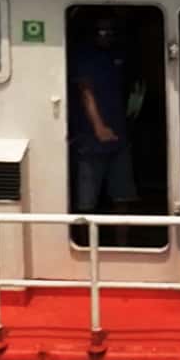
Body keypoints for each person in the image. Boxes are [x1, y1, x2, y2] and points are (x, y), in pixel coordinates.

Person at [67, 29, 134, 218]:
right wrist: (99, 127)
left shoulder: (118, 55)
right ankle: (84, 245)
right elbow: (85, 90)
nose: (107, 35)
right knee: (86, 202)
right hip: (88, 142)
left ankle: (124, 245)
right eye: (102, 31)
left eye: (111, 31)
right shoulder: (83, 56)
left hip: (120, 139)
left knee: (123, 199)